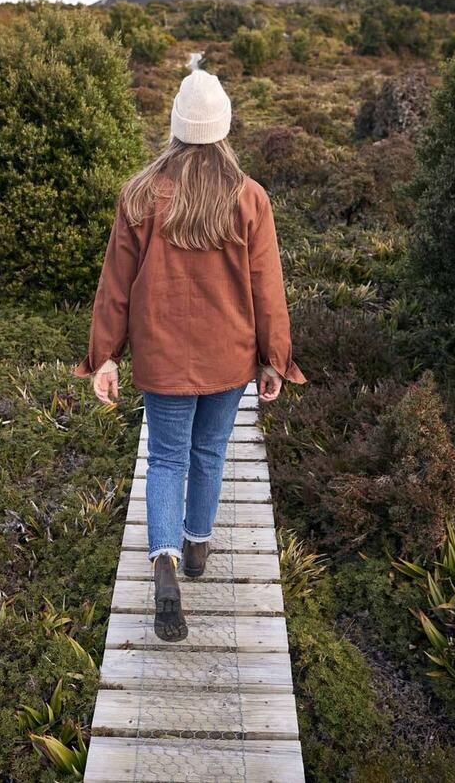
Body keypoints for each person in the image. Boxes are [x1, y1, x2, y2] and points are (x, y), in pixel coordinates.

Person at [72, 68, 306, 641]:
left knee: (167, 458)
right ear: (223, 127)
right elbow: (267, 287)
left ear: (175, 127)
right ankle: (198, 547)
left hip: (162, 358)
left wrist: (105, 356)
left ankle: (165, 563)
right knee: (209, 453)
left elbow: (116, 284)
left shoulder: (141, 193)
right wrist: (274, 357)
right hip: (228, 357)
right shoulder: (249, 197)